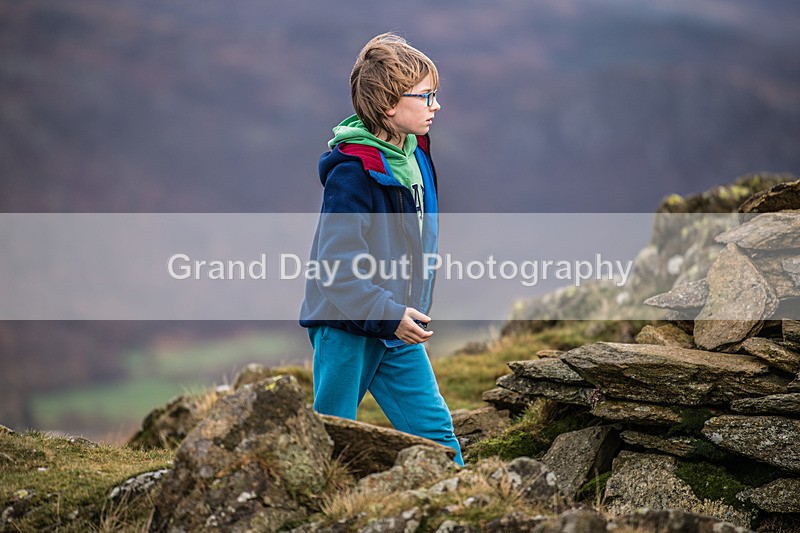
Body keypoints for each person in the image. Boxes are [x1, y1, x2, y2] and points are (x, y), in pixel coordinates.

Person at [300, 33, 463, 465]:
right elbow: (334, 268)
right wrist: (386, 313)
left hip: (397, 324)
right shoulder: (352, 173)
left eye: (435, 95)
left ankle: (467, 497)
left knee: (435, 430)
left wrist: (400, 312)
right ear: (390, 104)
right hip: (345, 325)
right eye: (426, 96)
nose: (436, 106)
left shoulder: (416, 153)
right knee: (332, 437)